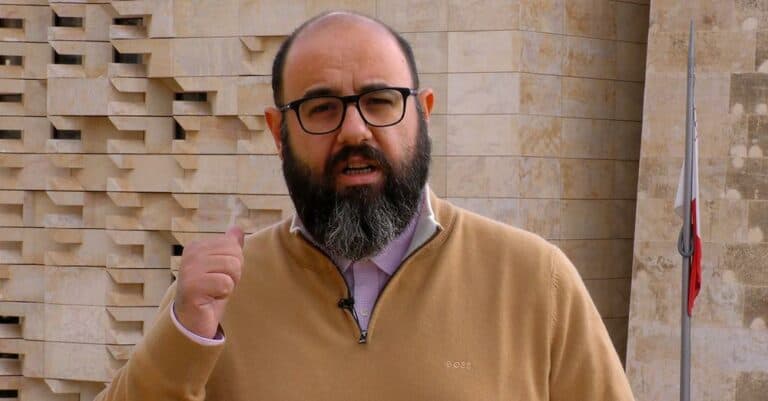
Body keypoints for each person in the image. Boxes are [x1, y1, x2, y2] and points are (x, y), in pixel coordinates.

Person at [95, 11, 635, 401]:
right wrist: (185, 338)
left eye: (380, 102)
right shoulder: (218, 299)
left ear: (423, 114)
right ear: (279, 133)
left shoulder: (536, 282)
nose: (355, 130)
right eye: (322, 108)